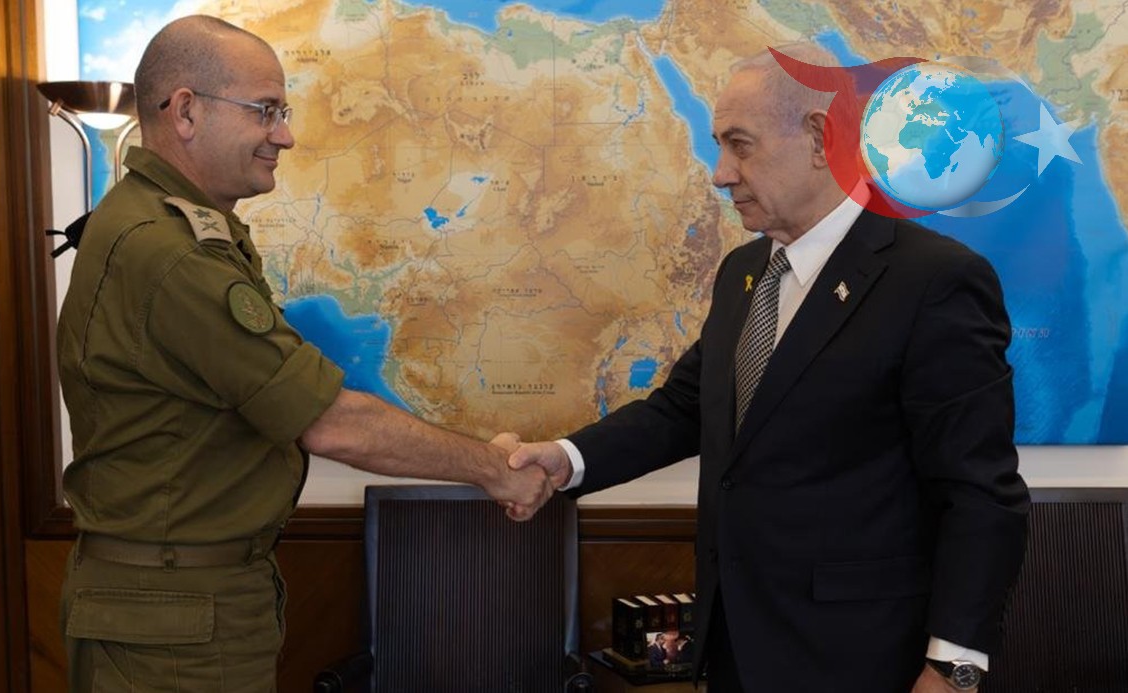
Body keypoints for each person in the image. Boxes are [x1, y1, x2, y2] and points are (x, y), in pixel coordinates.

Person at [505, 43, 1029, 692]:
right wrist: (565, 459)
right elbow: (685, 408)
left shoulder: (934, 280)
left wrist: (953, 669)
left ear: (819, 138)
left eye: (740, 145)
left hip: (862, 660)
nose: (720, 174)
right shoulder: (744, 273)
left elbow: (979, 492)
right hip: (736, 647)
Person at [55, 15, 553, 693]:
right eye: (264, 111)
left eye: (281, 113)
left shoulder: (172, 230)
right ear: (187, 111)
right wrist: (495, 469)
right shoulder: (168, 253)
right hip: (171, 621)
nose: (283, 135)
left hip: (186, 604)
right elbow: (330, 422)